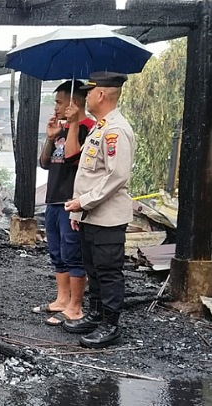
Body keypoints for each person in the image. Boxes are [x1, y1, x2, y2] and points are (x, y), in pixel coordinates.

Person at [63, 72, 136, 348]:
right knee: (93, 269)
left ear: (101, 95)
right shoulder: (99, 127)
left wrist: (84, 203)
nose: (86, 97)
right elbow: (88, 175)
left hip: (107, 217)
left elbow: (117, 177)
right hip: (90, 215)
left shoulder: (116, 130)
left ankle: (110, 325)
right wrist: (77, 212)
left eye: (89, 92)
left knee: (108, 271)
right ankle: (95, 314)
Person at [33, 81, 94, 326]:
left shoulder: (88, 128)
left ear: (74, 102)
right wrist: (49, 138)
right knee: (57, 252)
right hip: (53, 199)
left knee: (73, 253)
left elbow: (74, 159)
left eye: (59, 102)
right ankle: (61, 299)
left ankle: (75, 307)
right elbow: (45, 163)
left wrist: (74, 125)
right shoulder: (60, 129)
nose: (55, 107)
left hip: (72, 201)